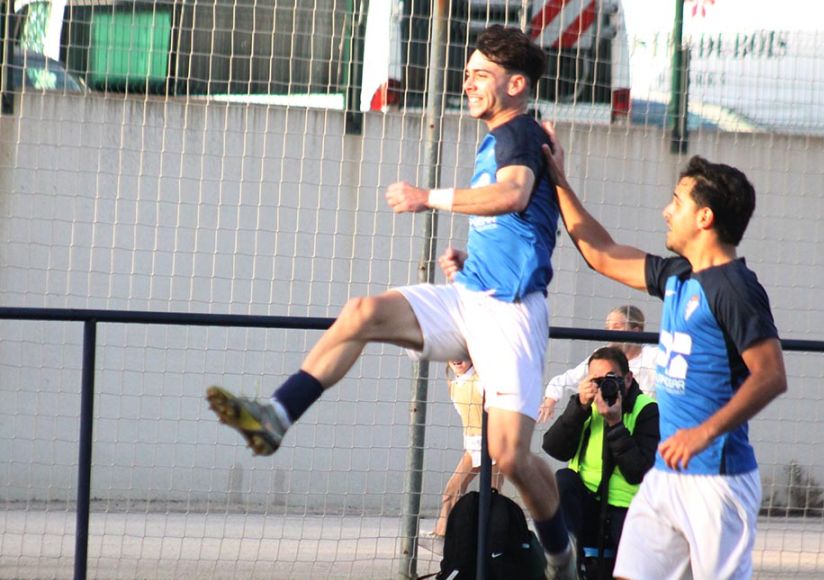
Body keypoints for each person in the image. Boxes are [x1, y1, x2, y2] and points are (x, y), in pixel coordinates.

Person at [206, 26, 578, 579]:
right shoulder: (502, 134)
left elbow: (514, 194)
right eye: (468, 72)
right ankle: (276, 416)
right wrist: (469, 260)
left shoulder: (519, 133)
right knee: (362, 313)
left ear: (516, 83)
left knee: (509, 457)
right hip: (469, 296)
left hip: (511, 315)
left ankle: (561, 556)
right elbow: (516, 220)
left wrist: (428, 197)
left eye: (480, 74)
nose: (468, 83)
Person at [542, 125, 788, 579]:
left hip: (717, 481)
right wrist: (557, 176)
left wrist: (703, 433)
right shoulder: (677, 275)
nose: (666, 211)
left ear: (705, 218)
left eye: (677, 201)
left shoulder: (735, 287)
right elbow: (601, 253)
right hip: (665, 478)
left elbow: (771, 374)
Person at [542, 347, 658, 580]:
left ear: (628, 378)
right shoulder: (586, 405)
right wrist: (578, 408)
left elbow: (638, 471)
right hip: (584, 505)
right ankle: (568, 554)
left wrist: (615, 425)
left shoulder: (646, 408)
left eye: (610, 379)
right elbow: (554, 448)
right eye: (596, 380)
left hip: (626, 508)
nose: (604, 386)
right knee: (563, 479)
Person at [420, 359, 504, 556]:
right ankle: (442, 536)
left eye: (462, 354)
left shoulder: (483, 379)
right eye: (452, 353)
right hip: (473, 446)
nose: (457, 359)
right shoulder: (454, 383)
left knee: (492, 497)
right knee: (451, 491)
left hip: (495, 445)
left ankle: (493, 543)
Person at [538, 305, 657, 424]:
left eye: (616, 327)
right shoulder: (603, 356)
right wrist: (550, 399)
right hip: (606, 421)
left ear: (636, 332)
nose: (610, 332)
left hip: (644, 421)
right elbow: (568, 379)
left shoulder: (654, 357)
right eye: (607, 328)